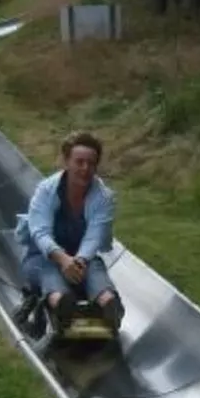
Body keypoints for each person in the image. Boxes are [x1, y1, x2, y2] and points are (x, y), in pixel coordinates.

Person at [13, 130, 125, 334]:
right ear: (67, 162)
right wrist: (64, 260)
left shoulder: (103, 197)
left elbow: (94, 236)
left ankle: (109, 304)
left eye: (91, 163)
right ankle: (62, 306)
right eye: (79, 162)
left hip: (83, 259)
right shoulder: (46, 191)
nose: (85, 169)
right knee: (50, 274)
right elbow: (40, 232)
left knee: (95, 271)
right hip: (43, 257)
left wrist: (79, 261)